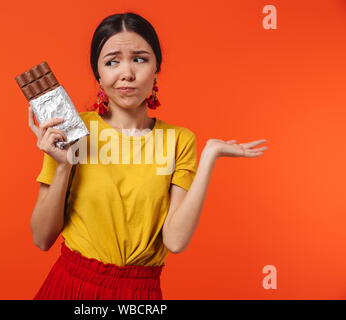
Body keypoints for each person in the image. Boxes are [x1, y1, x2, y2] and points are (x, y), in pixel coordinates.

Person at [28, 12, 268, 300]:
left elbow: (175, 241)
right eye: (112, 61)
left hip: (140, 295)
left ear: (157, 68)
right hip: (72, 287)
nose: (127, 73)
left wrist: (209, 156)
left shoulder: (179, 140)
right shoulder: (71, 130)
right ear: (99, 74)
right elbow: (42, 239)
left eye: (139, 59)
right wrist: (64, 166)